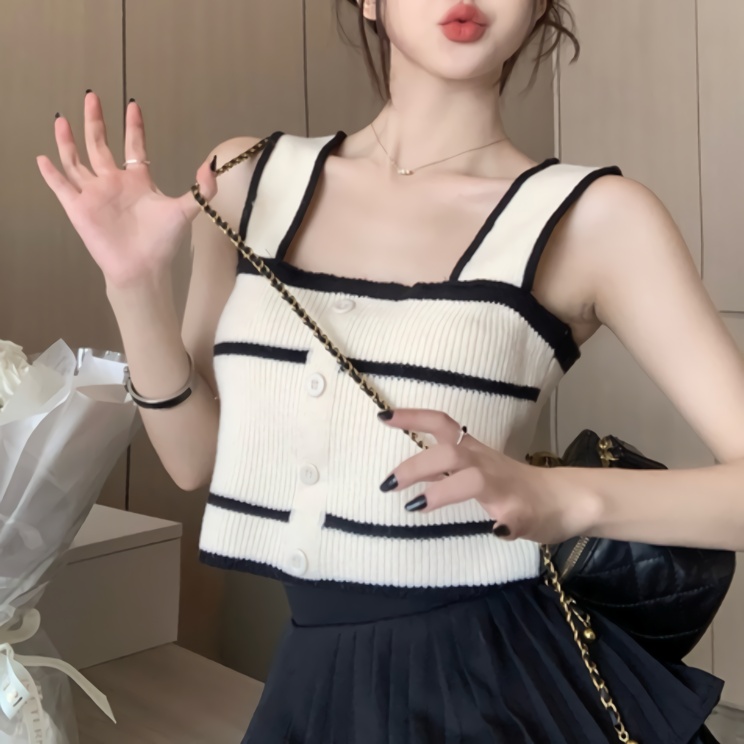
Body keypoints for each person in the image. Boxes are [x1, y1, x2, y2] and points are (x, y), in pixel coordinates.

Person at [37, 0, 743, 741]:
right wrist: (134, 287)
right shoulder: (247, 178)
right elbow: (196, 459)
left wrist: (562, 498)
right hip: (314, 680)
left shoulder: (594, 218)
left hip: (499, 688)